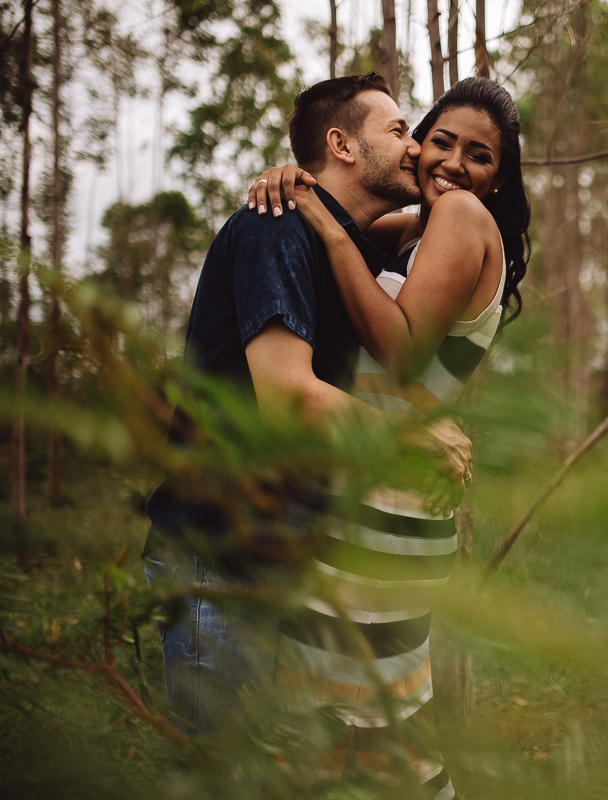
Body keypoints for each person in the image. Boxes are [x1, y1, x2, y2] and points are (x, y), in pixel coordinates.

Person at [142, 73, 470, 740]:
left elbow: (453, 224)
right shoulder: (276, 230)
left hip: (288, 561)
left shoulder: (349, 244)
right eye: (398, 131)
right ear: (342, 145)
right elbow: (289, 398)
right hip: (218, 558)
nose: (415, 148)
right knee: (220, 766)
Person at [248, 77, 531, 793]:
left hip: (385, 516)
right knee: (378, 738)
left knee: (329, 737)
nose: (454, 164)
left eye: (479, 156)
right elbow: (333, 217)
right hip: (381, 509)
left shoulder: (462, 216)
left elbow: (401, 351)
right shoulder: (417, 230)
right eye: (441, 142)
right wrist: (294, 180)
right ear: (419, 144)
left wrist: (321, 218)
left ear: (498, 179)